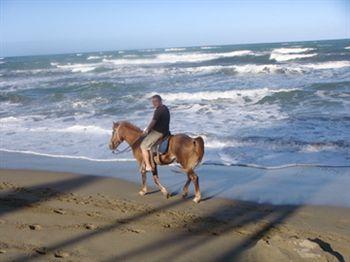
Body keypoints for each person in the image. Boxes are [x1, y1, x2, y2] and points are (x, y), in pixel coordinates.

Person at [140, 94, 170, 172]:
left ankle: (148, 166)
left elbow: (153, 122)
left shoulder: (158, 110)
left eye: (155, 101)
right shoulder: (165, 108)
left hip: (159, 132)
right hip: (165, 131)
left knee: (143, 146)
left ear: (160, 101)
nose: (154, 103)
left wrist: (147, 130)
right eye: (153, 102)